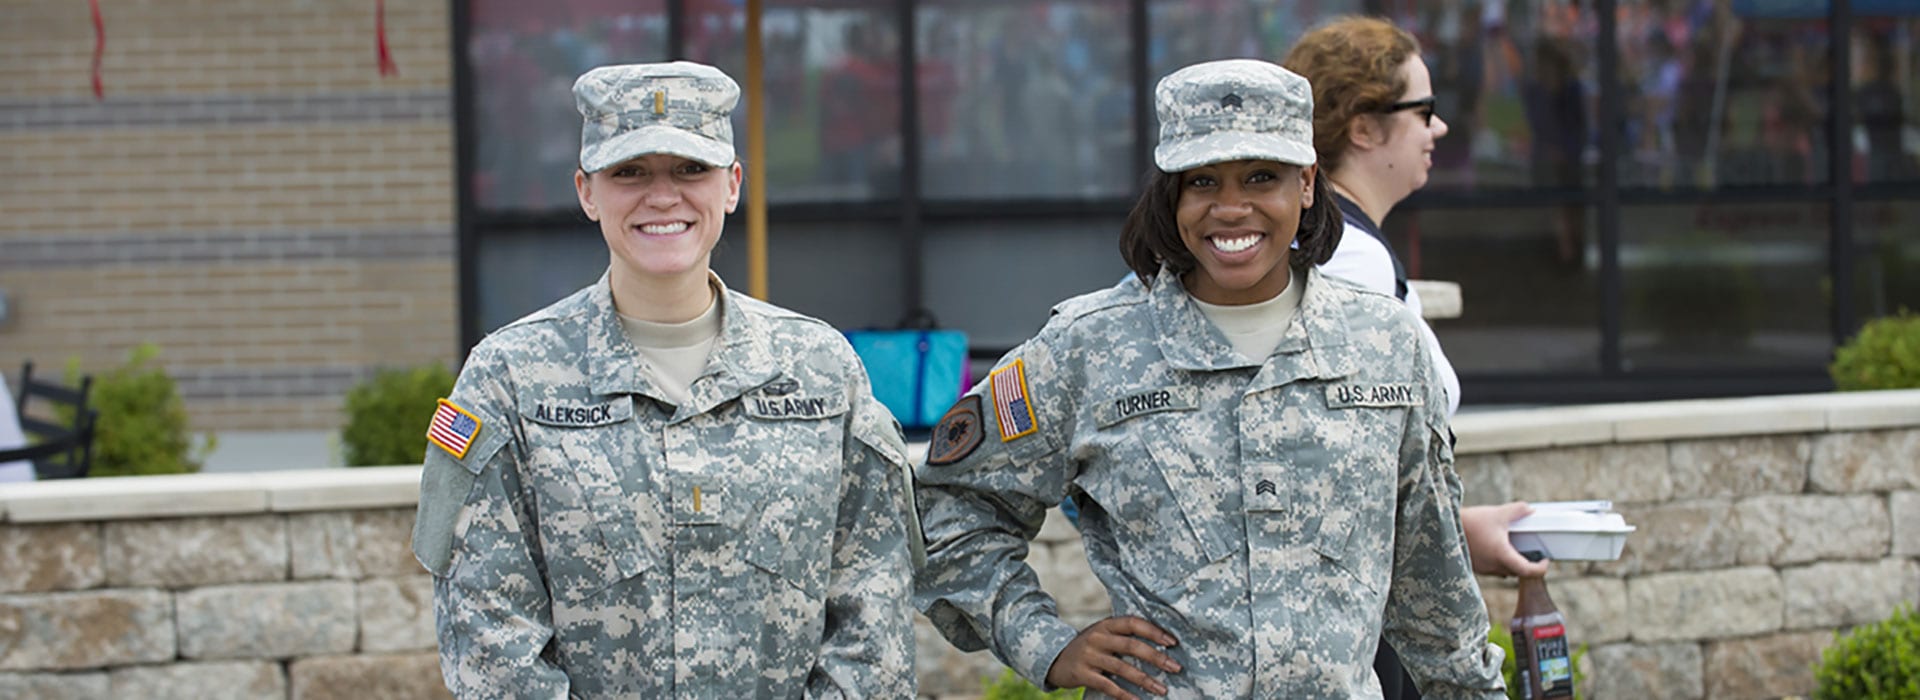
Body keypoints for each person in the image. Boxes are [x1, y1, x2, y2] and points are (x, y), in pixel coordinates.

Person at [913, 58, 1505, 699]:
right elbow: (948, 509)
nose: (1230, 208)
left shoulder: (1387, 344)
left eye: (1261, 177)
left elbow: (1433, 578)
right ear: (1172, 194)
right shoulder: (1089, 347)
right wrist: (1047, 644)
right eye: (1202, 181)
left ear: (1307, 183)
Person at [411, 61, 919, 698]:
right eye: (629, 172)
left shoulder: (820, 367)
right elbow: (489, 637)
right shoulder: (508, 378)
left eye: (690, 169)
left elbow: (874, 609)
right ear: (587, 192)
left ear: (732, 185)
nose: (662, 197)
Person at [1283, 16, 1554, 698]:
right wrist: (1457, 535)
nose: (1439, 130)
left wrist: (1458, 532)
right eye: (1423, 112)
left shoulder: (1347, 249)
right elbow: (1338, 480)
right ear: (1365, 128)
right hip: (1357, 632)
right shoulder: (1349, 259)